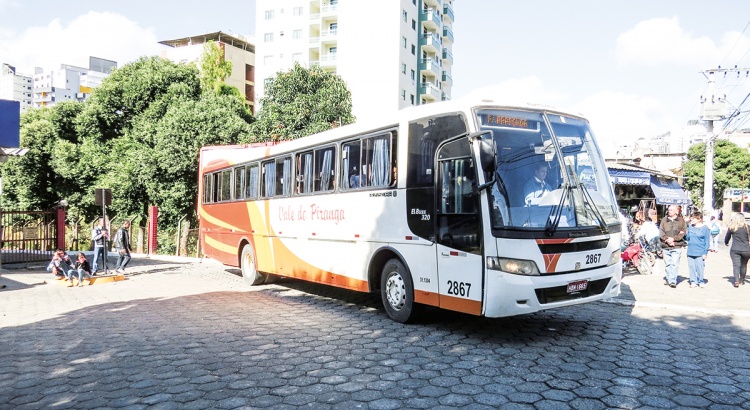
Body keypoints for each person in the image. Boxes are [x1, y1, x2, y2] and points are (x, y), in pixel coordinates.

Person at [659, 204, 687, 288]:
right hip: (666, 245)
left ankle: (672, 280)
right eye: (668, 210)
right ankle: (668, 278)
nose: (669, 211)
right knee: (667, 264)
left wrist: (674, 239)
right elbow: (661, 232)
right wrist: (667, 240)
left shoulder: (681, 221)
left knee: (674, 263)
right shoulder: (664, 220)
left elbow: (683, 232)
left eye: (671, 210)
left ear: (676, 211)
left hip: (677, 245)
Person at [724, 212, 750, 288]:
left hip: (735, 249)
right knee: (744, 265)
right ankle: (742, 280)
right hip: (746, 249)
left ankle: (736, 281)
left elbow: (727, 237)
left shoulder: (732, 227)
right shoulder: (747, 227)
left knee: (736, 265)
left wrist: (726, 242)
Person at [685, 212, 711, 288]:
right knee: (691, 267)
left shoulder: (705, 228)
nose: (691, 220)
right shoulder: (690, 227)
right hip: (691, 251)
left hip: (700, 251)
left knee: (700, 267)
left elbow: (707, 241)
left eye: (693, 218)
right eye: (691, 218)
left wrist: (705, 253)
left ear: (699, 219)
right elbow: (687, 238)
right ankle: (693, 281)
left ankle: (701, 281)